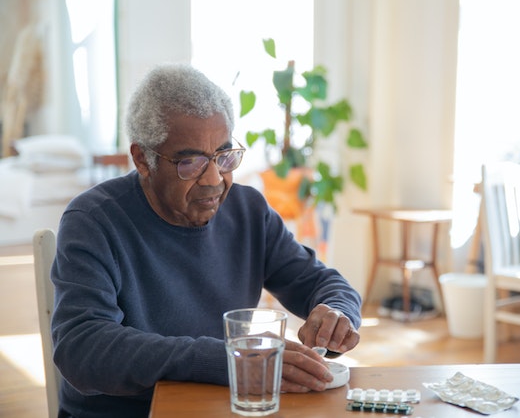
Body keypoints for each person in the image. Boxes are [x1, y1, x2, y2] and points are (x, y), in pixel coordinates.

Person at [50, 63, 362, 417]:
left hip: (216, 407)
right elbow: (82, 347)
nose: (214, 179)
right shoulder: (94, 220)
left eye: (223, 157)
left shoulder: (248, 209)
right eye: (191, 162)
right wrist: (225, 358)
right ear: (143, 159)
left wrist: (337, 311)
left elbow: (319, 281)